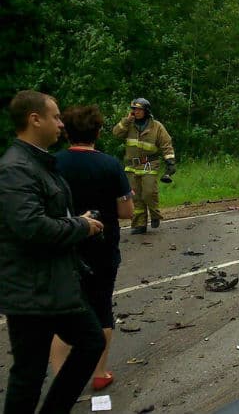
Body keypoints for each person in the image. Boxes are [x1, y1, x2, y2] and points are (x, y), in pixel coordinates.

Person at [0, 90, 105, 414]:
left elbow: (47, 215)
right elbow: (31, 227)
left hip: (52, 286)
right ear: (35, 119)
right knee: (28, 375)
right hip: (31, 292)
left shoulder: (39, 162)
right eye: (56, 117)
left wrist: (75, 221)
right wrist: (80, 227)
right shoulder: (16, 169)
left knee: (90, 341)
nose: (62, 124)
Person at [50, 105, 133, 392]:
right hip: (102, 246)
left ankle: (63, 377)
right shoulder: (110, 165)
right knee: (101, 308)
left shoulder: (52, 163)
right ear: (97, 131)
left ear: (66, 132)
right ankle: (99, 373)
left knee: (65, 311)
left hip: (63, 246)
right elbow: (126, 210)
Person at [112, 98, 175, 234]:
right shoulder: (129, 124)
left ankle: (155, 215)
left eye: (139, 109)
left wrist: (170, 162)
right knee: (135, 197)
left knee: (148, 192)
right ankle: (139, 224)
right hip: (131, 166)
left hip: (149, 164)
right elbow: (116, 133)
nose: (136, 112)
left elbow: (166, 144)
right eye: (134, 109)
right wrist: (126, 120)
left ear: (146, 111)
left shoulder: (156, 126)